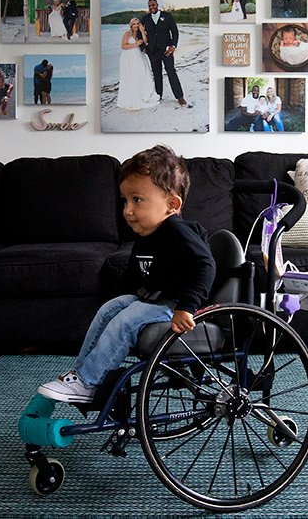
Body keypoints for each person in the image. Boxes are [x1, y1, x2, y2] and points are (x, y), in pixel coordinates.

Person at [37, 145, 215, 403]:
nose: (127, 210)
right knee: (112, 308)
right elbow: (134, 277)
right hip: (156, 299)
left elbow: (205, 264)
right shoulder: (145, 233)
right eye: (125, 200)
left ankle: (88, 381)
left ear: (172, 204)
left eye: (137, 200)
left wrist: (187, 307)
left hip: (176, 303)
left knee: (128, 317)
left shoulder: (177, 231)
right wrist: (120, 300)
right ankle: (83, 376)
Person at [140, 0, 188, 107]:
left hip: (167, 50)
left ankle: (179, 97)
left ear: (157, 5)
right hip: (152, 51)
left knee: (171, 72)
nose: (151, 7)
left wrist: (173, 46)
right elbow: (139, 33)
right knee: (156, 74)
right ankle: (158, 95)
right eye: (149, 6)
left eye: (153, 5)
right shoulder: (145, 19)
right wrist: (143, 47)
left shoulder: (167, 16)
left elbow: (174, 32)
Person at [117, 18, 157, 111]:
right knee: (130, 76)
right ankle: (132, 96)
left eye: (137, 24)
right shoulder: (127, 34)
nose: (135, 26)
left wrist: (142, 31)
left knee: (142, 74)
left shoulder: (140, 34)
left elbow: (146, 42)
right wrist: (135, 44)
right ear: (131, 25)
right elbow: (123, 46)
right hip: (128, 57)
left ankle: (142, 94)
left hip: (139, 56)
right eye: (134, 24)